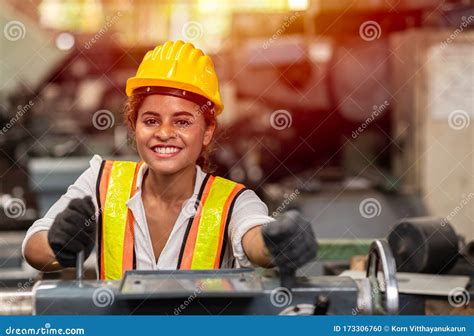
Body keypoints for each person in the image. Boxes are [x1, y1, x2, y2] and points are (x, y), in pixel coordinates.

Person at [22, 40, 316, 280]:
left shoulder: (234, 201)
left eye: (183, 122)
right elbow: (34, 245)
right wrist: (59, 245)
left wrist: (278, 242)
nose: (164, 133)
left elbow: (255, 239)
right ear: (134, 126)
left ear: (207, 132)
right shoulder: (101, 180)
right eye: (151, 120)